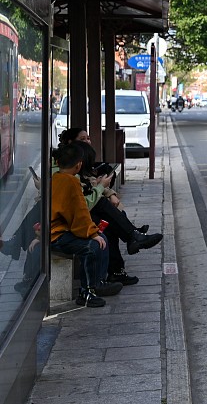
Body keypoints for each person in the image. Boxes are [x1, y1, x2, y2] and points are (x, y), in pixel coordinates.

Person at [58, 128, 162, 285]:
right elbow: (83, 203)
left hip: (79, 215)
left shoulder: (73, 168)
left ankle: (129, 245)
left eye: (88, 138)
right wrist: (101, 187)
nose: (87, 142)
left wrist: (108, 191)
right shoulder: (65, 174)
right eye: (82, 139)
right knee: (107, 220)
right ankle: (131, 240)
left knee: (110, 219)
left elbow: (89, 185)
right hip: (70, 221)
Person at [50, 143, 122, 307]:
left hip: (58, 230)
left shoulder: (56, 178)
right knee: (93, 246)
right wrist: (92, 233)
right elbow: (80, 213)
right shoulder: (71, 182)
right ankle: (87, 291)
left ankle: (97, 283)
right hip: (57, 234)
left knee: (101, 239)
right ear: (79, 165)